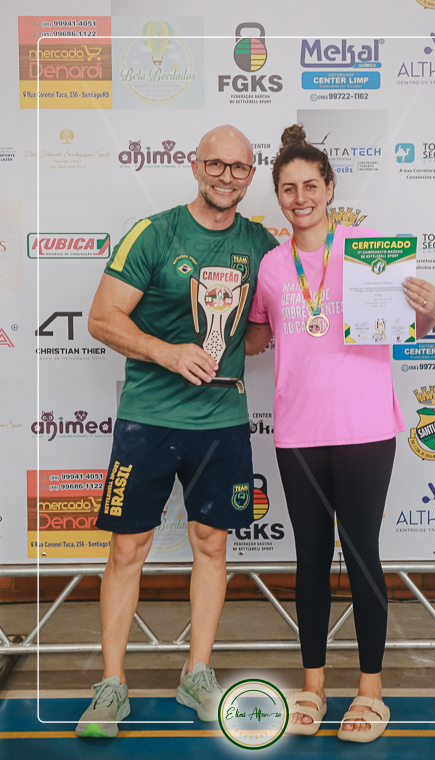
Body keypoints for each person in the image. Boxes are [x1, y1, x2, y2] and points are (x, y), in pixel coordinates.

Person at [76, 125, 277, 738]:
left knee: (212, 545)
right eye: (215, 164)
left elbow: (265, 327)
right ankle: (112, 685)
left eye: (238, 168)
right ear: (195, 166)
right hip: (149, 418)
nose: (225, 176)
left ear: (250, 175)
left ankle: (197, 673)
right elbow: (101, 318)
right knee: (127, 549)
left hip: (221, 421)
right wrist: (169, 353)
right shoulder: (155, 232)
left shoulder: (260, 244)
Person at [245, 125, 435, 743]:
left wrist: (430, 308)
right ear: (279, 196)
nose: (300, 197)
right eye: (288, 188)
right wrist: (210, 324)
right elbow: (256, 337)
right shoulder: (270, 266)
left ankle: (370, 691)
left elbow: (414, 327)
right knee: (308, 558)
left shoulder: (368, 249)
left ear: (330, 188)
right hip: (297, 432)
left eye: (311, 185)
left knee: (360, 554)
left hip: (364, 428)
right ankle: (313, 687)